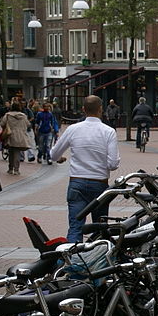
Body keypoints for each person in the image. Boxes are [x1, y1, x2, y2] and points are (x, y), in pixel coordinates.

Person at [50, 95, 120, 243]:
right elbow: (113, 164)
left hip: (77, 182)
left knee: (75, 227)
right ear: (101, 110)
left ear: (83, 109)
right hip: (99, 184)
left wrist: (60, 158)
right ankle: (98, 261)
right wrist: (101, 163)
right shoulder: (108, 131)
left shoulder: (73, 129)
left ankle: (72, 261)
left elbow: (54, 154)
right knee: (100, 228)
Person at [0, 105, 32, 175]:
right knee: (17, 152)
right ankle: (16, 170)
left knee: (11, 152)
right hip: (20, 136)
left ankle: (10, 169)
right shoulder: (23, 116)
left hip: (10, 135)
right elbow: (28, 124)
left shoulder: (8, 115)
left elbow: (2, 124)